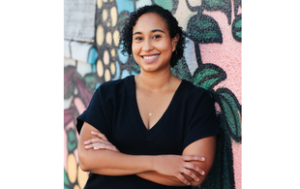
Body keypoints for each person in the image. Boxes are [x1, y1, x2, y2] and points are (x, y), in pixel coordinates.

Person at [76, 5, 220, 189]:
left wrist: (115, 159)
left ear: (174, 41)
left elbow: (193, 174)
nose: (147, 47)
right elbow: (87, 160)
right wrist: (157, 163)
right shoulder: (108, 95)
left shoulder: (196, 101)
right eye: (139, 38)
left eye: (156, 36)